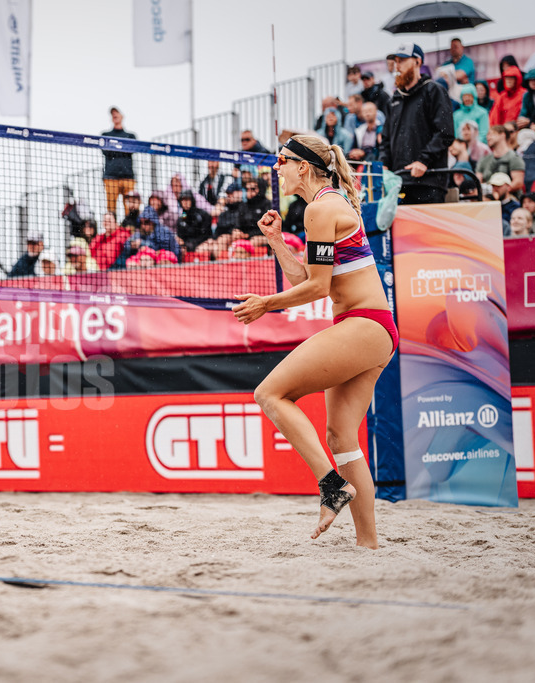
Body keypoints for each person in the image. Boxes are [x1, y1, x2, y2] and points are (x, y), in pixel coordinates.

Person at [232, 134, 396, 549]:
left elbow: (319, 289)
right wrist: (275, 242)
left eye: (282, 161)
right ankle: (368, 544)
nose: (276, 168)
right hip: (373, 328)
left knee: (270, 393)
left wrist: (266, 304)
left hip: (363, 324)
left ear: (303, 167)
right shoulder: (326, 205)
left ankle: (332, 488)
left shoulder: (321, 208)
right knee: (341, 437)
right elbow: (306, 280)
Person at [379, 42, 455, 205]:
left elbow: (445, 132)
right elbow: (385, 138)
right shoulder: (395, 99)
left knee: (429, 231)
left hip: (429, 182)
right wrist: (384, 164)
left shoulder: (434, 90)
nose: (397, 66)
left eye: (402, 61)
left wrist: (423, 161)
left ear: (417, 62)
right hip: (399, 182)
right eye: (396, 61)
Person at [101, 107, 137, 217]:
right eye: (112, 114)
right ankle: (113, 230)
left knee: (130, 208)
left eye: (117, 113)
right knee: (111, 209)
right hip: (110, 176)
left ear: (122, 116)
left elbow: (131, 150)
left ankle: (130, 230)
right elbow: (106, 152)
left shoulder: (131, 136)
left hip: (128, 176)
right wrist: (122, 149)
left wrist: (114, 148)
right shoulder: (105, 135)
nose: (115, 115)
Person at [476, 124, 525, 195]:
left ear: (502, 135)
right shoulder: (484, 160)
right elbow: (477, 181)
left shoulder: (514, 158)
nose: (487, 137)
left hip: (510, 200)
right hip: (488, 199)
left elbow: (518, 182)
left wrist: (499, 193)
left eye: (491, 134)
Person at [174, 190, 210, 256]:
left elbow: (206, 234)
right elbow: (180, 236)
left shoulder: (202, 215)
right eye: (183, 200)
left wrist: (193, 243)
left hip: (202, 244)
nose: (185, 202)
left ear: (192, 200)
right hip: (187, 246)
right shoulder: (181, 218)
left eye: (187, 199)